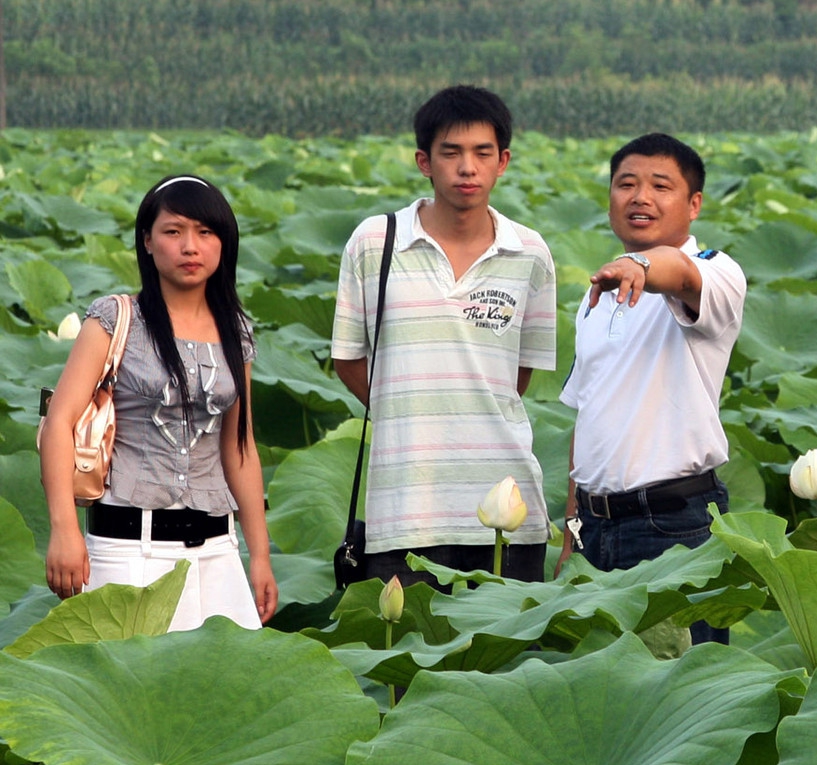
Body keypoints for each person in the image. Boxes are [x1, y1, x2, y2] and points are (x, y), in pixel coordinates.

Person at [331, 85, 556, 589]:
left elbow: (518, 376)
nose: (467, 168)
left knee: (505, 663)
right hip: (404, 509)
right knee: (406, 659)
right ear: (423, 161)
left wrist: (466, 403)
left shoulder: (531, 254)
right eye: (450, 153)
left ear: (503, 161)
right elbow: (348, 360)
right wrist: (409, 406)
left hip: (507, 507)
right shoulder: (374, 242)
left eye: (481, 153)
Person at [41, 174, 277, 630]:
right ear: (147, 241)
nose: (191, 246)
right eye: (174, 231)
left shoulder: (236, 330)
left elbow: (239, 446)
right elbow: (59, 425)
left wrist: (260, 554)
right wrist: (65, 529)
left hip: (217, 552)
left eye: (205, 233)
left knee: (218, 696)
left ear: (223, 242)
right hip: (128, 550)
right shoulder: (114, 318)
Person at [559, 133, 747, 644]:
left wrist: (641, 264)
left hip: (673, 527)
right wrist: (573, 522)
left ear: (694, 204)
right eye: (626, 184)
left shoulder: (717, 272)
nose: (640, 197)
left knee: (682, 701)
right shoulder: (596, 292)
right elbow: (588, 410)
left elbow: (680, 272)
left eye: (660, 186)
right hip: (596, 528)